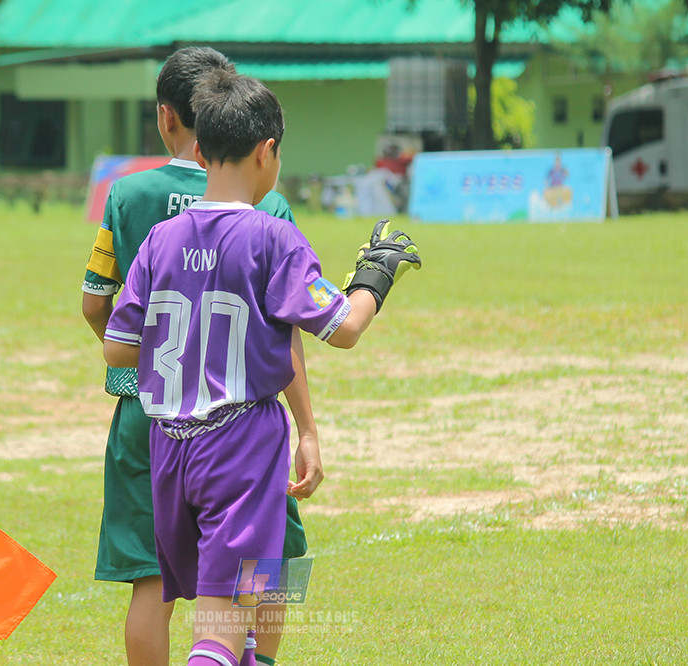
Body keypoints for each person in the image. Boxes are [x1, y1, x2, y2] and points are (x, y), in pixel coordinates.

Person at [102, 70, 420, 666]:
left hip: (168, 447)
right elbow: (342, 329)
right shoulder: (275, 236)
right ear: (268, 151)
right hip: (241, 445)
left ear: (199, 148)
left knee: (226, 598)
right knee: (225, 620)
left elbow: (116, 347)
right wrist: (377, 276)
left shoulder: (160, 240)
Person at [81, 46, 320, 666]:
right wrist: (309, 428)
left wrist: (153, 369)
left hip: (150, 413)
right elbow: (289, 332)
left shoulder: (129, 198)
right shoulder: (269, 211)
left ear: (168, 118)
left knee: (149, 575)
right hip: (241, 417)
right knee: (265, 557)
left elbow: (95, 307)